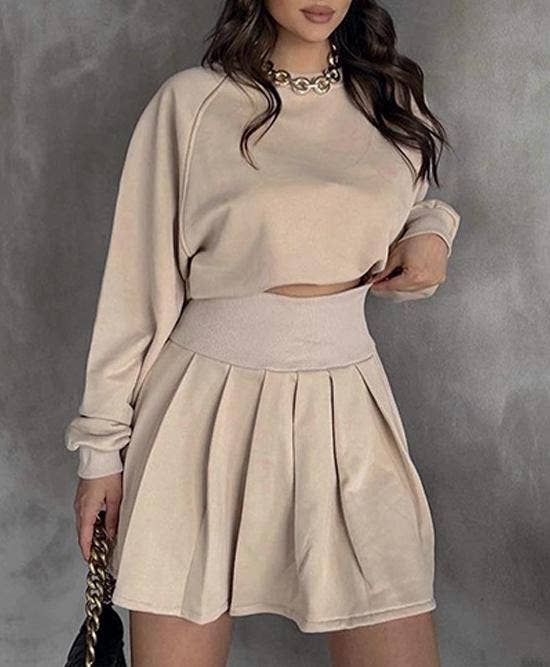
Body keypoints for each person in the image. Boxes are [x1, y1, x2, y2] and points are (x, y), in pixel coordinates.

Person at [65, 1, 461, 665]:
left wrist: (433, 230)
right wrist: (100, 451)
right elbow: (135, 286)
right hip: (199, 411)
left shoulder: (391, 102)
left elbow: (401, 202)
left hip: (345, 404)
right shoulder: (191, 103)